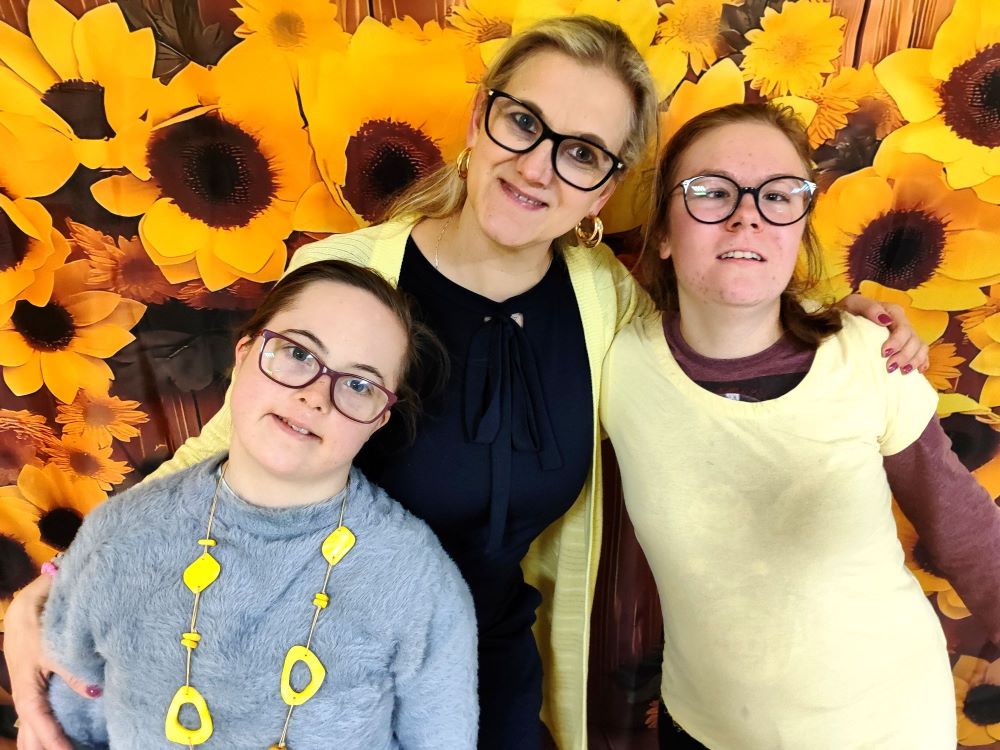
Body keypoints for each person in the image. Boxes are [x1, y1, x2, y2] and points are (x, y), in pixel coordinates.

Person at [4, 17, 928, 750]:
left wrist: (844, 321)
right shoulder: (347, 274)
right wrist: (57, 587)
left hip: (496, 674)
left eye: (582, 153)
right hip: (312, 669)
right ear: (483, 116)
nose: (538, 166)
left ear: (604, 190)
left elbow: (723, 322)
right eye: (524, 123)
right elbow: (217, 458)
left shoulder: (604, 304)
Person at [601, 102, 1000, 749]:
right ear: (665, 233)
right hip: (700, 728)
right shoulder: (618, 365)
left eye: (779, 195)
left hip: (884, 729)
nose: (748, 215)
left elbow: (967, 533)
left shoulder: (869, 357)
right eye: (711, 191)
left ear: (800, 230)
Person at [38, 259, 477, 749]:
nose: (316, 396)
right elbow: (75, 722)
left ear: (379, 420)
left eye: (359, 384)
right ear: (244, 353)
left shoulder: (417, 580)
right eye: (298, 353)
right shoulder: (117, 536)